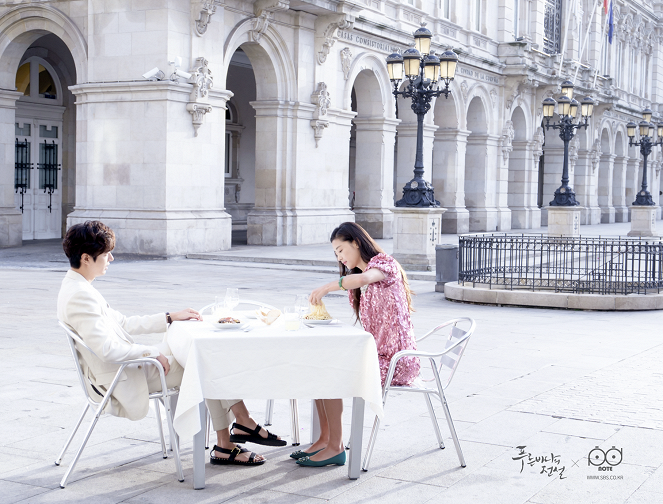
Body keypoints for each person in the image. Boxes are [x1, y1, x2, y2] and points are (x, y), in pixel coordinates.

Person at [57, 221, 285, 466]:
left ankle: (235, 432)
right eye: (105, 254)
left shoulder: (78, 286)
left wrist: (169, 317)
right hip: (121, 377)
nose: (111, 258)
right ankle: (236, 430)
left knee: (199, 355)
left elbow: (122, 323)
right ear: (86, 258)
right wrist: (152, 352)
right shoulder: (81, 295)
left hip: (124, 367)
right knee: (206, 365)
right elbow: (107, 350)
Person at [291, 222, 420, 467]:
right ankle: (325, 439)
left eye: (341, 250)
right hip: (377, 355)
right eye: (335, 253)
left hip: (397, 362)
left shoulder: (384, 265)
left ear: (356, 242)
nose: (339, 257)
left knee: (330, 373)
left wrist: (331, 286)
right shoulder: (356, 280)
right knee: (320, 365)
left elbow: (366, 278)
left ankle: (335, 447)